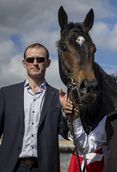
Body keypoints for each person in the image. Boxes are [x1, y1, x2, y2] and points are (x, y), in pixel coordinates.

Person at [0, 43, 69, 172]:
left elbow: (68, 135)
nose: (35, 63)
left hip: (45, 167)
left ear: (48, 63)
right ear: (24, 63)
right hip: (10, 167)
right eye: (30, 59)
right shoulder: (6, 94)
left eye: (40, 59)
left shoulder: (58, 97)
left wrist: (67, 113)